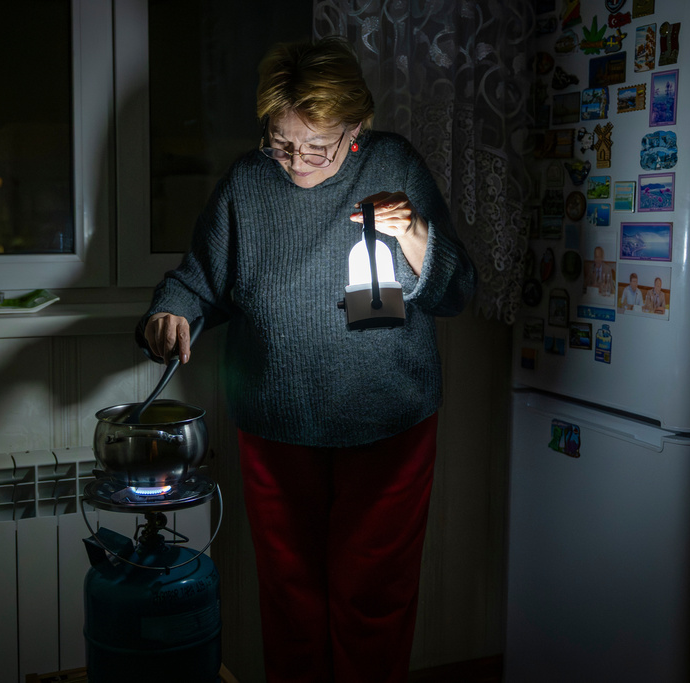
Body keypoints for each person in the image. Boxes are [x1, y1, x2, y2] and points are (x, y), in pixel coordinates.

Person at [135, 37, 477, 683]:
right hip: (276, 428)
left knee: (371, 601)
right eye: (280, 141)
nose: (295, 161)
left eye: (315, 145)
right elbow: (198, 279)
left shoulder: (393, 164)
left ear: (356, 127)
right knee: (291, 603)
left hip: (389, 427)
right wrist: (170, 311)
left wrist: (416, 236)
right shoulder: (247, 182)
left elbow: (460, 290)